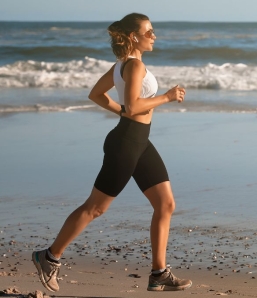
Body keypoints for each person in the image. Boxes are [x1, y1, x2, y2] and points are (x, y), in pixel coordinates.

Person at [31, 13, 192, 292]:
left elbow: (96, 94)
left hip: (139, 141)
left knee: (165, 204)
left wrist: (122, 111)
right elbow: (132, 106)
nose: (154, 36)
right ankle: (48, 257)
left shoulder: (123, 65)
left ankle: (159, 273)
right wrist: (166, 97)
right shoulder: (133, 66)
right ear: (134, 36)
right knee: (96, 207)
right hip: (126, 144)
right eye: (149, 31)